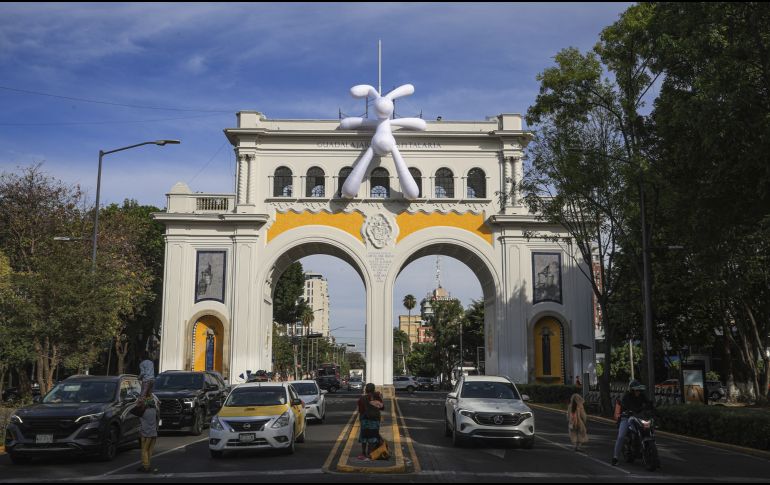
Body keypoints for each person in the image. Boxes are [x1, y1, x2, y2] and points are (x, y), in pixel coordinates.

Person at [612, 380, 652, 465]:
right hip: (627, 418)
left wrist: (653, 410)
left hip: (639, 417)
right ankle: (615, 458)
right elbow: (625, 405)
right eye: (636, 390)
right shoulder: (626, 396)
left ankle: (653, 456)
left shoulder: (642, 396)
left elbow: (648, 403)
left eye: (639, 390)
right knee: (621, 436)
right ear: (631, 390)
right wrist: (628, 411)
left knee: (649, 429)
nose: (638, 392)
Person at [356, 383, 384, 460]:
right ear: (374, 389)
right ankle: (370, 453)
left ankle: (363, 453)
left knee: (364, 436)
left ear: (366, 390)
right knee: (373, 436)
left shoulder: (362, 398)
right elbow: (382, 407)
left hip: (364, 419)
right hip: (375, 419)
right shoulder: (378, 397)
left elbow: (360, 410)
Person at [137, 392, 160, 473]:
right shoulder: (154, 410)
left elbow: (134, 410)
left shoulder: (143, 412)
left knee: (144, 450)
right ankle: (147, 464)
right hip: (154, 434)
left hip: (146, 435)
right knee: (149, 451)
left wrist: (140, 402)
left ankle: (146, 466)